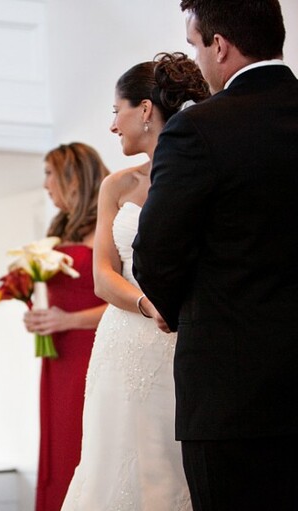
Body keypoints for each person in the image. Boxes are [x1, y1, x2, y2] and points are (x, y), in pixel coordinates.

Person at [132, 1, 298, 509]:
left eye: (195, 45)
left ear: (220, 46)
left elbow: (156, 253)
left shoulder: (199, 128)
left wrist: (174, 306)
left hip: (232, 395)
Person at [61, 53, 209, 510]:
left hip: (184, 341)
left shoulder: (202, 175)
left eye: (116, 111)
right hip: (125, 340)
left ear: (145, 110)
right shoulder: (117, 186)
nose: (112, 126)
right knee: (112, 462)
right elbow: (103, 277)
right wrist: (149, 305)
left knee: (174, 469)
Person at [22, 142, 109, 511]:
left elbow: (127, 304)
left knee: (83, 441)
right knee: (57, 443)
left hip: (91, 353)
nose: (45, 184)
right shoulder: (58, 228)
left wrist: (69, 320)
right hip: (57, 358)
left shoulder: (105, 225)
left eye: (49, 174)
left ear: (73, 177)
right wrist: (36, 311)